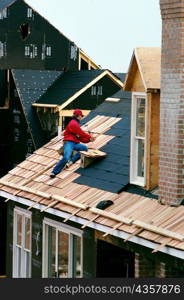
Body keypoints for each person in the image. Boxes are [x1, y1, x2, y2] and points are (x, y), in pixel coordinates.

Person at [50, 109, 95, 178]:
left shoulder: (76, 124)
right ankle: (54, 172)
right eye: (81, 116)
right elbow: (81, 133)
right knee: (66, 157)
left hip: (75, 143)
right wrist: (89, 137)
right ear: (78, 116)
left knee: (84, 148)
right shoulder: (73, 123)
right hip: (69, 143)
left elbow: (81, 138)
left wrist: (89, 140)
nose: (81, 117)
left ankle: (71, 161)